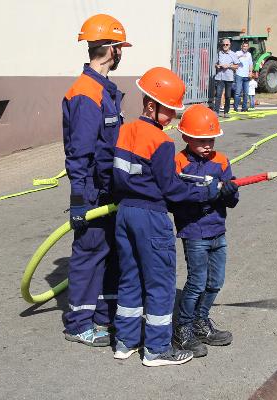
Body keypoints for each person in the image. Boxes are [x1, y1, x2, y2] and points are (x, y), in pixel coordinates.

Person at [111, 67, 224, 367]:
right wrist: (205, 192)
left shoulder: (124, 132)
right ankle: (157, 349)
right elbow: (171, 189)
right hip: (151, 217)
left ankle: (125, 341)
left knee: (130, 278)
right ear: (151, 106)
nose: (173, 116)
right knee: (160, 282)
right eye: (170, 110)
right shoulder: (162, 142)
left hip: (125, 213)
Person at [61, 14, 131, 347]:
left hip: (109, 189)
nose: (122, 53)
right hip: (92, 192)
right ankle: (78, 324)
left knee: (110, 252)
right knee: (89, 254)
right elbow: (80, 154)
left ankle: (103, 317)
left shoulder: (103, 90)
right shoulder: (86, 94)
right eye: (121, 47)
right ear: (112, 49)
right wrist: (78, 199)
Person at [171, 104, 239, 358]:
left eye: (211, 139)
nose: (207, 145)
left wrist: (230, 193)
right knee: (197, 283)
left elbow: (232, 199)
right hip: (194, 233)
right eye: (201, 140)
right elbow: (174, 198)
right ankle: (183, 329)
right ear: (186, 137)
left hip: (218, 231)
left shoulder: (221, 161)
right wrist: (204, 195)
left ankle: (201, 322)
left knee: (215, 282)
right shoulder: (178, 162)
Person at [213, 38, 239, 118]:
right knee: (218, 95)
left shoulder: (233, 54)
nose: (225, 46)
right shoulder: (219, 53)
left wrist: (228, 66)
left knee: (228, 96)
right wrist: (217, 66)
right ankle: (216, 111)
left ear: (229, 45)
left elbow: (237, 66)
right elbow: (215, 64)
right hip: (220, 77)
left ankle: (226, 112)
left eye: (227, 44)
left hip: (229, 77)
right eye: (223, 44)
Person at [234, 41, 253, 112]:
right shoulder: (238, 53)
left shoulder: (249, 54)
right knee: (238, 92)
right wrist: (240, 56)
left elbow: (250, 64)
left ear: (248, 47)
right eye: (244, 46)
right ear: (241, 47)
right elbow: (234, 59)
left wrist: (250, 72)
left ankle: (244, 108)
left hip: (246, 76)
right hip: (239, 74)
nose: (245, 47)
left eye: (246, 46)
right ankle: (235, 108)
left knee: (246, 93)